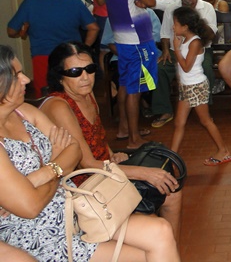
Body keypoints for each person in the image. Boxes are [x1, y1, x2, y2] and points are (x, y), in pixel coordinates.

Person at [0, 44, 180, 261]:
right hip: (44, 232)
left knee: (161, 230)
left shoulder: (24, 112)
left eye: (90, 69)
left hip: (71, 210)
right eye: (16, 75)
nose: (26, 79)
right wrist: (57, 165)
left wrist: (42, 174)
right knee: (154, 242)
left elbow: (73, 149)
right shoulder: (58, 105)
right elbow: (31, 206)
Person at [40, 41, 183, 241]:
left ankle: (169, 253)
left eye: (89, 69)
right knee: (152, 216)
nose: (85, 77)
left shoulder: (87, 95)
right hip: (80, 185)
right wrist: (144, 173)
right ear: (59, 76)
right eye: (75, 71)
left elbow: (96, 136)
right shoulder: (59, 106)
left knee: (171, 191)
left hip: (102, 172)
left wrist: (111, 153)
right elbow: (86, 163)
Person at [7, 0, 99, 97]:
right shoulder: (73, 2)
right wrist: (83, 48)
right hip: (70, 57)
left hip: (42, 58)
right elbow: (94, 28)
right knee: (74, 96)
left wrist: (23, 31)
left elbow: (11, 31)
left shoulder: (30, 3)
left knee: (46, 98)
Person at [102, 0, 157, 149]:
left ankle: (125, 127)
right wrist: (141, 0)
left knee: (125, 85)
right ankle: (134, 139)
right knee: (135, 89)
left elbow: (138, 0)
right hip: (136, 40)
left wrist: (138, 0)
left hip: (124, 39)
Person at [151, 0, 217, 129]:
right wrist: (166, 50)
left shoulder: (206, 8)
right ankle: (164, 110)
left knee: (206, 68)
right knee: (160, 68)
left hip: (200, 50)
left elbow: (210, 35)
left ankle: (203, 107)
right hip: (176, 50)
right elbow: (165, 34)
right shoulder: (171, 8)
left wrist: (193, 16)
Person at [170, 7, 231, 166]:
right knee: (179, 122)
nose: (173, 27)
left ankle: (223, 151)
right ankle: (172, 156)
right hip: (187, 86)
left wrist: (175, 48)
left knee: (206, 121)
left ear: (185, 27)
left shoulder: (195, 42)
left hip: (196, 87)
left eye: (175, 24)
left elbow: (186, 67)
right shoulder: (185, 39)